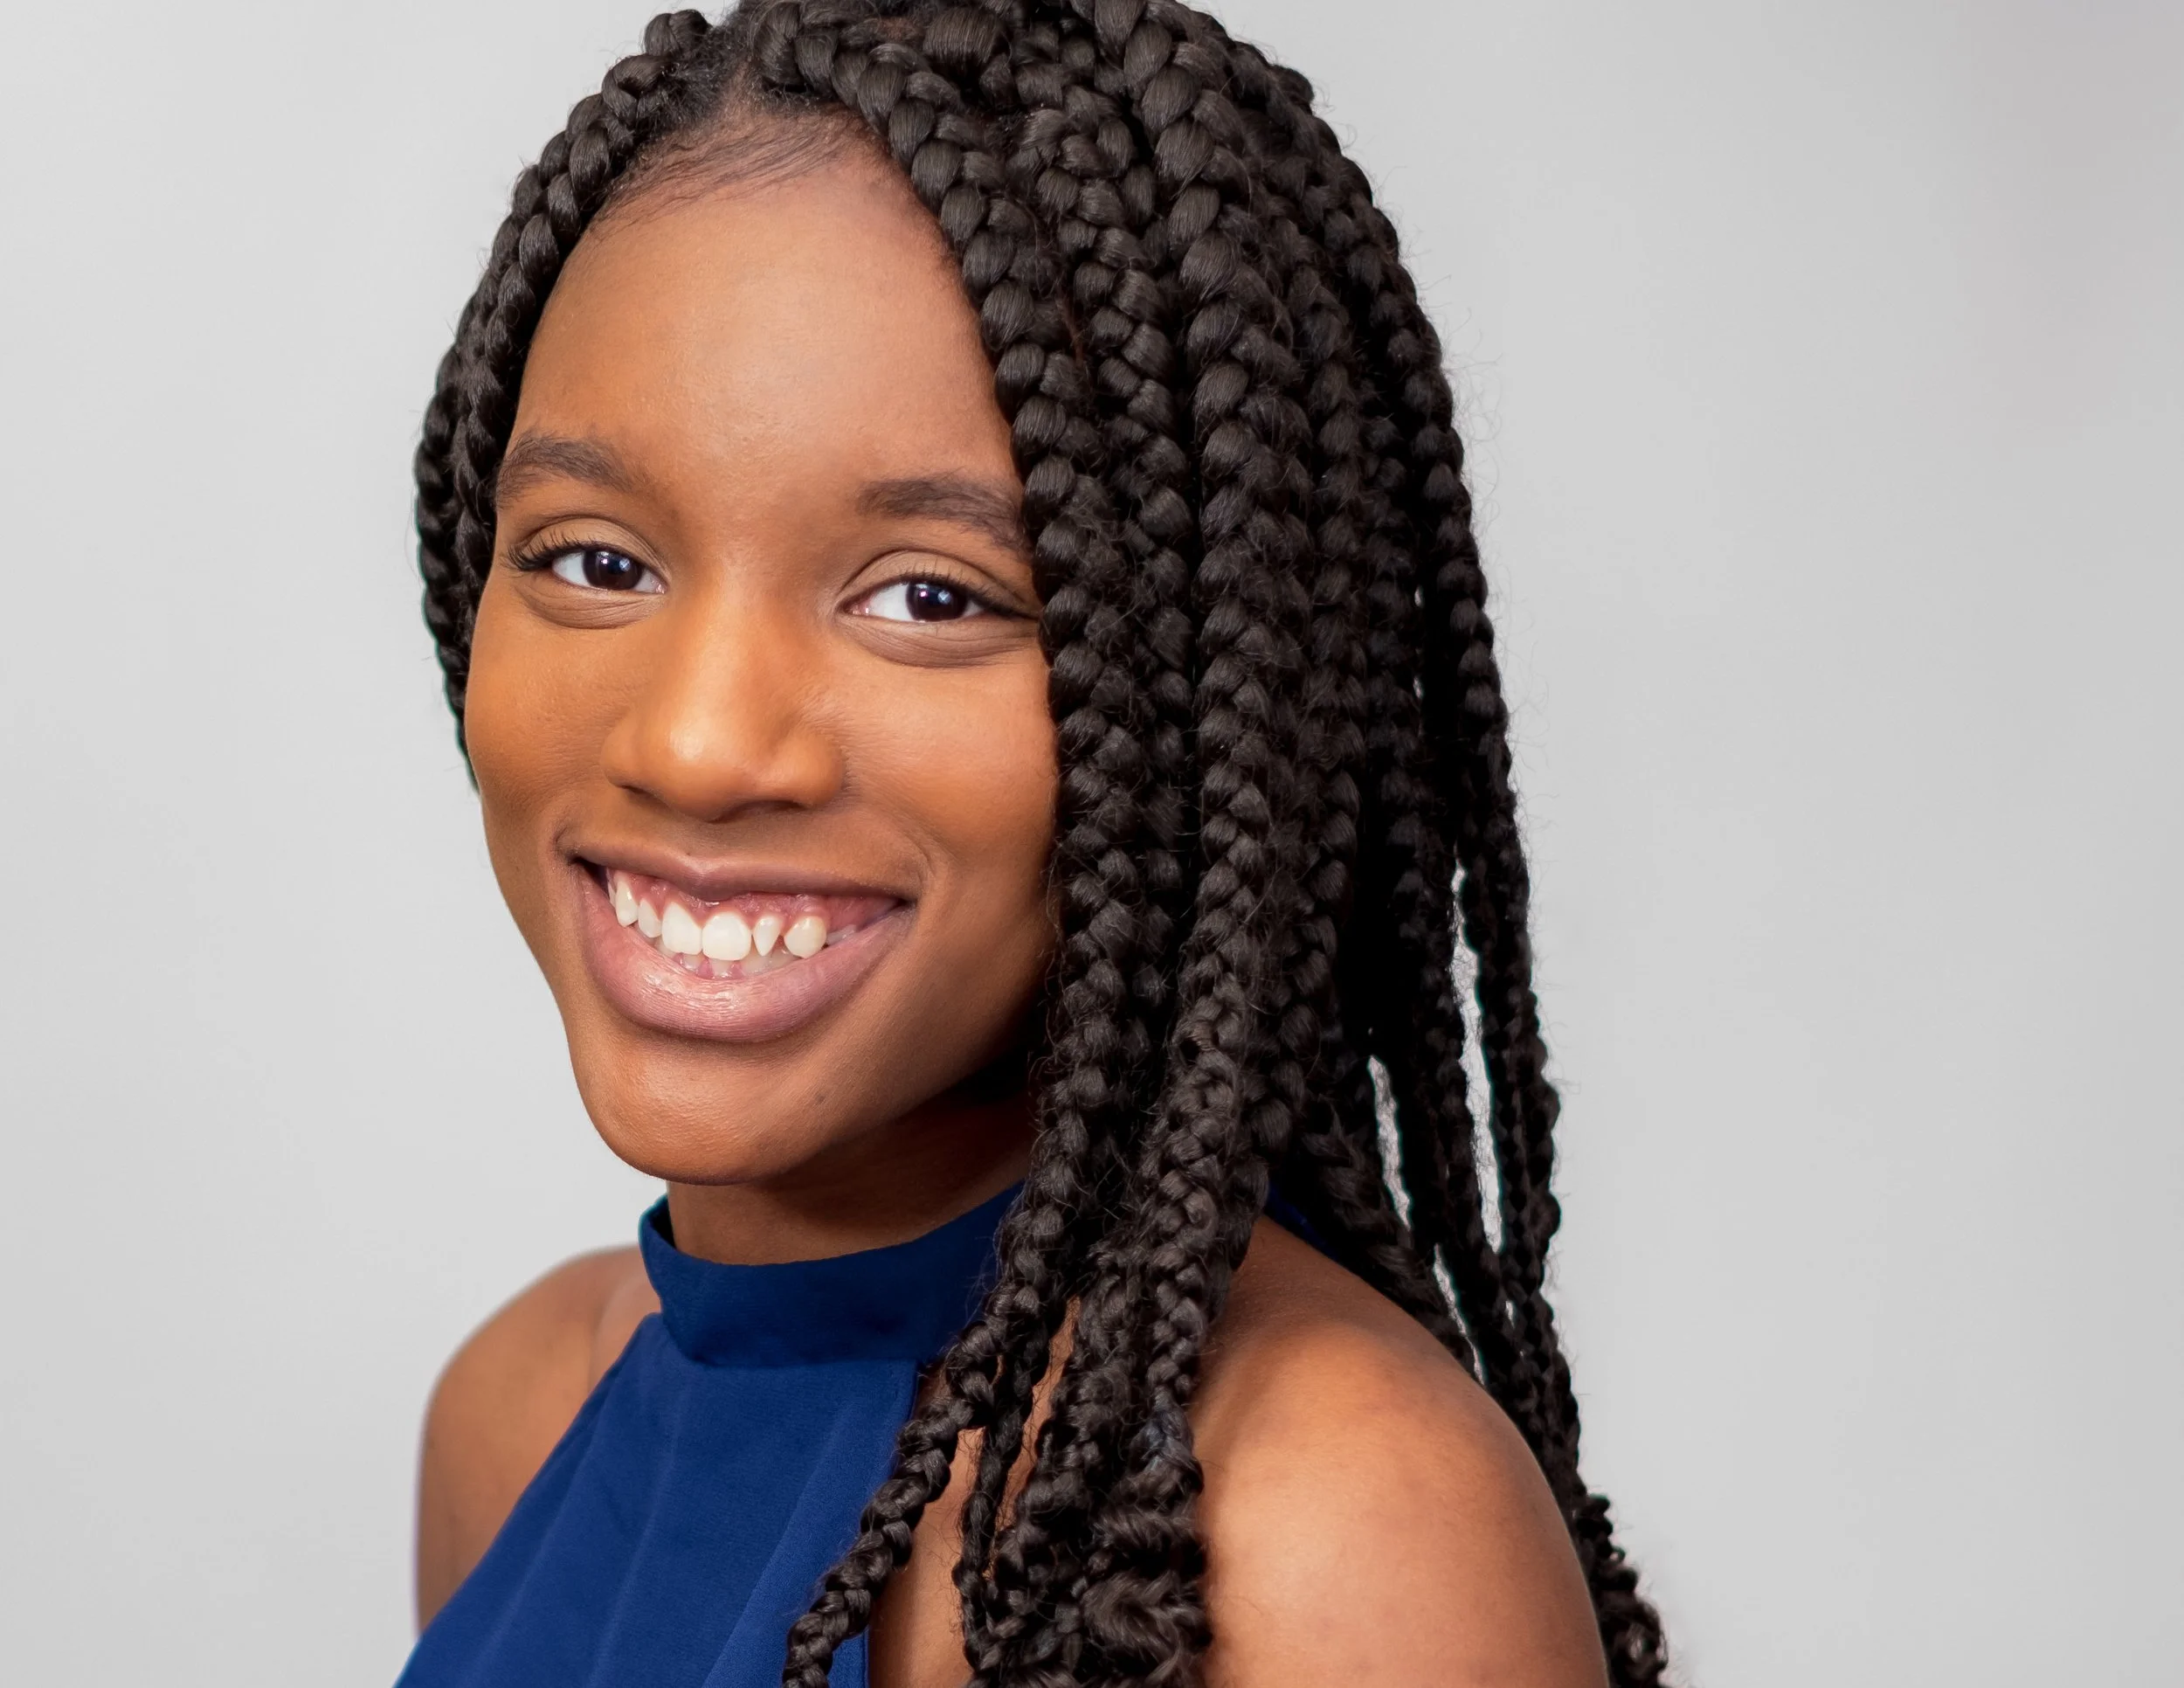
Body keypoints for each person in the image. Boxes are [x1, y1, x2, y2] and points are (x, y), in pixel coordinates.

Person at [398, 3, 1668, 1685]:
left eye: (931, 597)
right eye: (595, 560)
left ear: (1217, 697)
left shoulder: (1321, 1527)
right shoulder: (517, 1415)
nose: (698, 743)